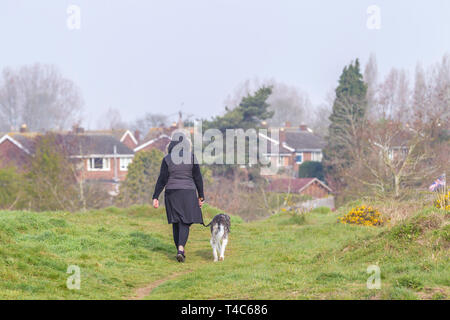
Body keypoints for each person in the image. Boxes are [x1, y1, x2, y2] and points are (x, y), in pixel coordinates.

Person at [152, 132, 205, 262]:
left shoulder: (167, 159)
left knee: (176, 221)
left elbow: (162, 179)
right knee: (185, 221)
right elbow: (198, 178)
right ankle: (181, 248)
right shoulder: (192, 157)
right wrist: (201, 196)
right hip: (188, 193)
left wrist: (155, 196)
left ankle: (179, 250)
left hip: (172, 193)